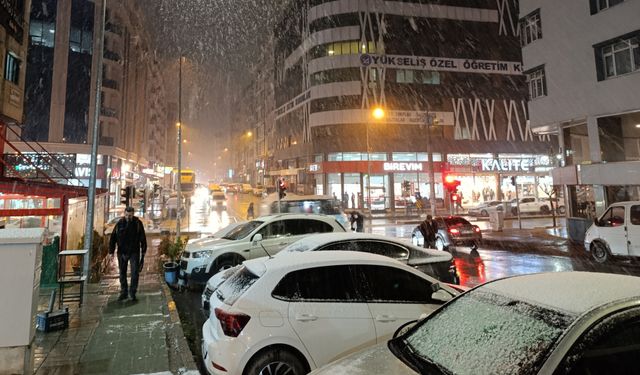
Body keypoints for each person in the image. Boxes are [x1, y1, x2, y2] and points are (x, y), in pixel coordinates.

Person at [109, 206, 147, 301]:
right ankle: (124, 292)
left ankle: (132, 292)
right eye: (126, 215)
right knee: (122, 272)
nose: (128, 217)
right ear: (124, 214)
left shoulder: (138, 223)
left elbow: (143, 237)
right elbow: (113, 237)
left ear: (133, 214)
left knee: (134, 273)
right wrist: (111, 251)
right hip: (122, 251)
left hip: (134, 251)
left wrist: (143, 250)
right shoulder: (120, 224)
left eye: (130, 215)